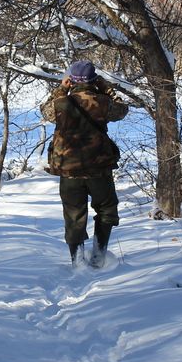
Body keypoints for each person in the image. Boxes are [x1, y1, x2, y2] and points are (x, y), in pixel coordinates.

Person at [42, 59, 128, 266]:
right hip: (99, 170)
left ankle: (77, 261)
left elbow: (45, 111)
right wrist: (106, 88)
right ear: (93, 80)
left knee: (73, 216)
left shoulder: (60, 104)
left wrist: (61, 90)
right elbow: (123, 109)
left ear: (71, 80)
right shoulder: (103, 102)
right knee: (107, 209)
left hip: (69, 171)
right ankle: (99, 256)